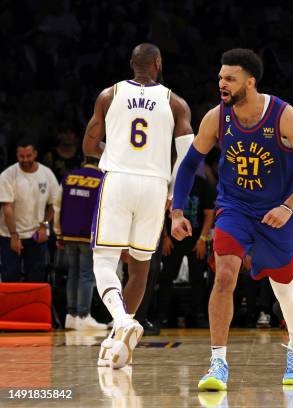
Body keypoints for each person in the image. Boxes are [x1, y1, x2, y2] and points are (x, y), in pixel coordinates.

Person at [171, 49, 293, 390]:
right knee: (224, 276)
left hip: (277, 211)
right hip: (235, 208)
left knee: (283, 288)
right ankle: (218, 363)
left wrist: (288, 207)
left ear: (250, 82)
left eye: (230, 79)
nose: (222, 84)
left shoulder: (283, 115)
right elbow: (188, 164)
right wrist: (177, 210)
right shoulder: (217, 117)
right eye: (220, 78)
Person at [82, 43, 194, 369]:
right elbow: (187, 157)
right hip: (156, 185)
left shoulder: (109, 95)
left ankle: (120, 320)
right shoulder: (176, 102)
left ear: (132, 64)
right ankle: (120, 343)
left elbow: (90, 145)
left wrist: (113, 146)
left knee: (104, 260)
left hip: (119, 179)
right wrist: (175, 197)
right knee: (141, 267)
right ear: (158, 63)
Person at [159, 161, 216, 328]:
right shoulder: (171, 185)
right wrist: (164, 238)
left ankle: (197, 315)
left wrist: (203, 239)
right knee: (167, 275)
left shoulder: (203, 184)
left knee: (198, 277)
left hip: (195, 238)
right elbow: (160, 212)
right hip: (172, 237)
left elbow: (209, 214)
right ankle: (163, 315)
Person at [53, 155, 107, 330]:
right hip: (87, 234)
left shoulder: (69, 178)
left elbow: (57, 206)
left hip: (68, 234)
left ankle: (71, 315)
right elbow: (104, 209)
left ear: (84, 160)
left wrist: (58, 233)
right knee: (86, 275)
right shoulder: (101, 179)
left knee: (73, 273)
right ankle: (83, 315)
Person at [0, 140, 58, 283]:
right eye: (21, 156)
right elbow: (7, 208)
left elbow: (54, 204)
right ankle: (10, 306)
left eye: (28, 156)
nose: (25, 160)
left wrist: (44, 225)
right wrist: (14, 235)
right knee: (10, 276)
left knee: (36, 277)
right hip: (10, 234)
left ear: (35, 154)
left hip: (36, 234)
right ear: (17, 155)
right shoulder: (7, 175)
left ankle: (33, 306)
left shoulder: (46, 174)